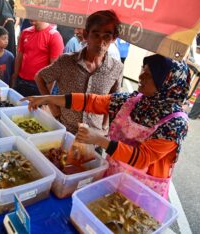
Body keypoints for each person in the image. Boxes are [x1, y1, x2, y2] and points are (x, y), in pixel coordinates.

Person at [23, 54, 190, 198]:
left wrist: (100, 140)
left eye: (148, 75)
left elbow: (142, 158)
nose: (140, 77)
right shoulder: (133, 101)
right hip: (112, 176)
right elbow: (91, 101)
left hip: (143, 193)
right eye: (142, 70)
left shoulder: (175, 123)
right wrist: (48, 98)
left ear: (167, 83)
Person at [36, 10, 123, 134]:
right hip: (65, 131)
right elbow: (40, 77)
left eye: (107, 36)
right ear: (86, 35)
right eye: (96, 35)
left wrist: (104, 126)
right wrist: (53, 108)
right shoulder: (66, 61)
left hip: (94, 136)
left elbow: (114, 100)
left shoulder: (116, 68)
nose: (100, 42)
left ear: (114, 38)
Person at [12, 20, 64, 97]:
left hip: (39, 85)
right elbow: (19, 56)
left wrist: (46, 96)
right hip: (21, 81)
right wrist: (14, 77)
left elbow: (54, 68)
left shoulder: (54, 36)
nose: (31, 17)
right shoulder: (25, 32)